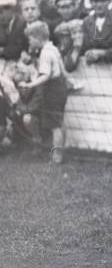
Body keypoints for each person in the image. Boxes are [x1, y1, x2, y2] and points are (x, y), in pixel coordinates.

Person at [20, 20, 69, 163]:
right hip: (60, 87)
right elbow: (62, 69)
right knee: (58, 121)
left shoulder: (45, 54)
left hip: (52, 89)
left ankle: (57, 155)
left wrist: (30, 84)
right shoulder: (53, 48)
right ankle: (58, 152)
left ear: (36, 37)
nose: (29, 42)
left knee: (55, 125)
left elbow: (45, 75)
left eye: (30, 39)